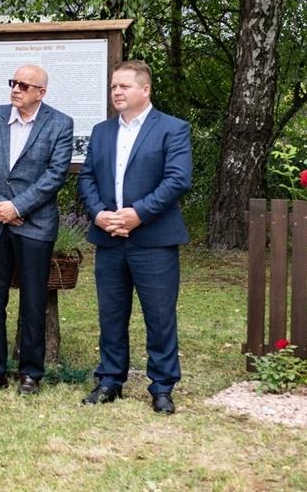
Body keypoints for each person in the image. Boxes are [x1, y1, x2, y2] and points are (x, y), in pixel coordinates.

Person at [77, 60, 192, 414]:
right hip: (109, 237)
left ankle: (162, 387)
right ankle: (110, 380)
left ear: (145, 89)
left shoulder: (172, 129)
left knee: (159, 316)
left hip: (154, 239)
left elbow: (177, 179)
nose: (117, 92)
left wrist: (138, 214)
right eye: (114, 86)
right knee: (111, 315)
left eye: (124, 86)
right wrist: (99, 214)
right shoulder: (101, 131)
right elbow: (87, 177)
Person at [0, 65, 73, 395]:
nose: (15, 89)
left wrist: (17, 207)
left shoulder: (60, 124)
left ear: (41, 92)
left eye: (24, 85)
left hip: (34, 225)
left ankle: (30, 373)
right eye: (13, 82)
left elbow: (55, 175)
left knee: (33, 302)